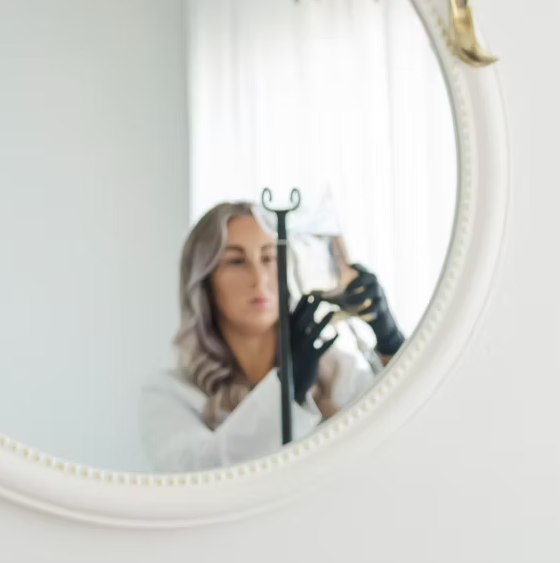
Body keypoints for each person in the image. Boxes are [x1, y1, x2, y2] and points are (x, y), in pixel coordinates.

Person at [141, 203, 408, 473]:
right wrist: (286, 390)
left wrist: (390, 343)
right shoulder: (170, 393)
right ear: (204, 281)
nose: (259, 279)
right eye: (236, 261)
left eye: (269, 258)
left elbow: (406, 435)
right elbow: (199, 476)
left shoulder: (337, 373)